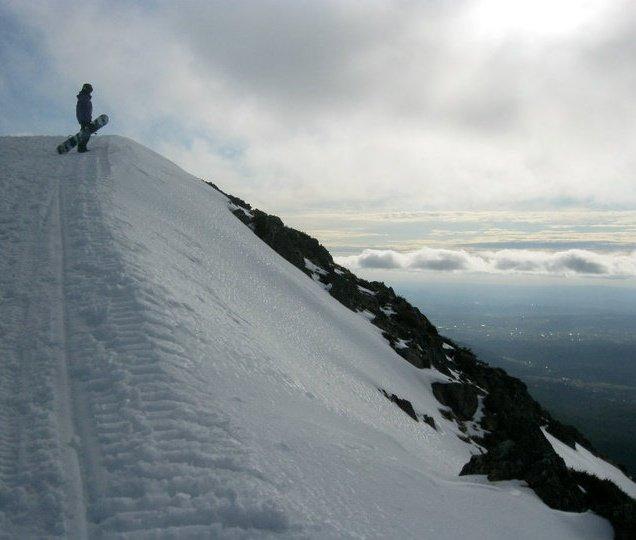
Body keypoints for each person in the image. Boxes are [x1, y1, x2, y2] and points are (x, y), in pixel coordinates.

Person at [76, 83, 93, 153]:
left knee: (86, 132)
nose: (90, 91)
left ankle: (82, 147)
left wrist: (89, 118)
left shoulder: (85, 97)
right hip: (84, 118)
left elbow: (87, 110)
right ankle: (81, 148)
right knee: (86, 133)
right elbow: (82, 110)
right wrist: (85, 120)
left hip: (85, 118)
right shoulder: (84, 97)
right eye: (90, 90)